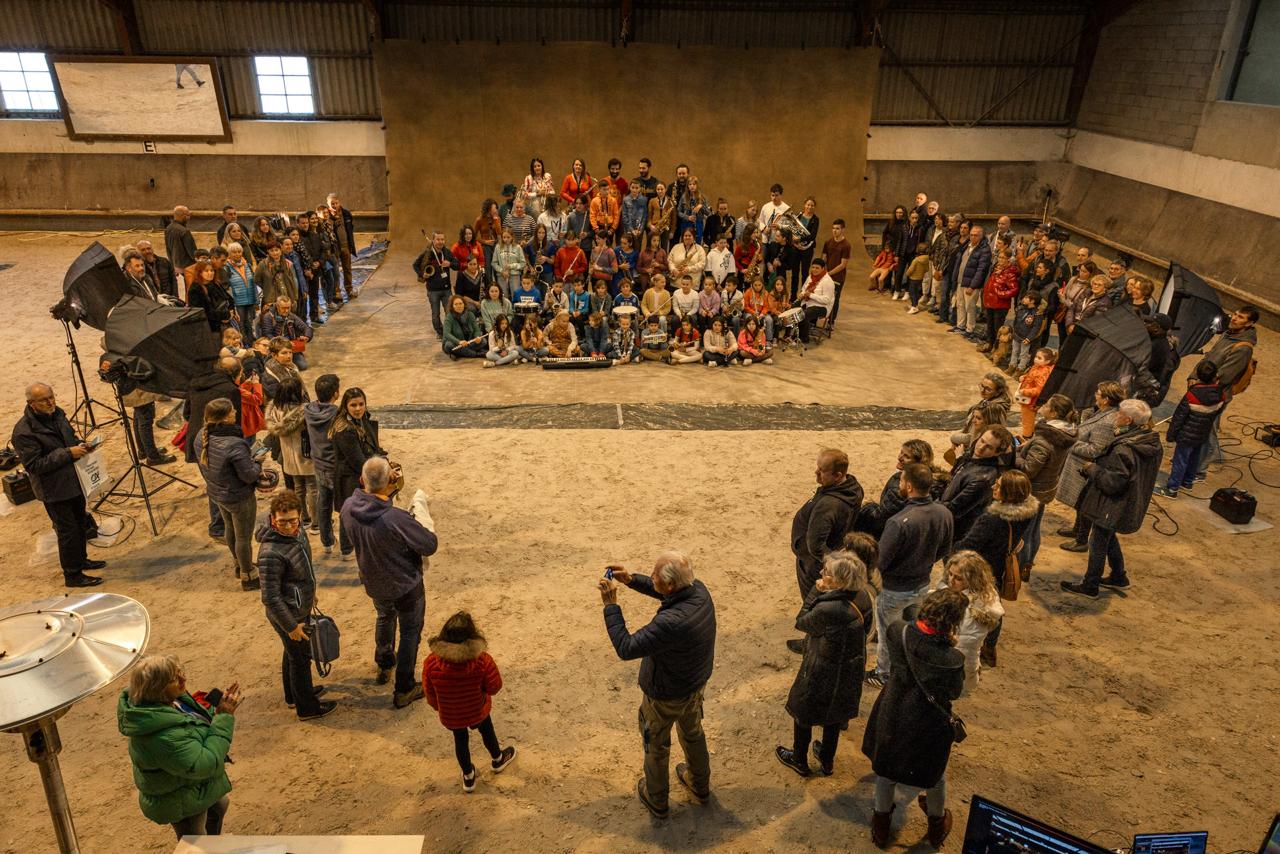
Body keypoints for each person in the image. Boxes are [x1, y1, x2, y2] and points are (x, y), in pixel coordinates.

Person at [600, 551, 716, 819]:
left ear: (671, 584)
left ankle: (657, 799)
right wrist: (631, 580)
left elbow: (626, 647)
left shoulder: (669, 623)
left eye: (654, 575)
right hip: (695, 684)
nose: (650, 576)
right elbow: (669, 595)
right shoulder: (699, 591)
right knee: (693, 732)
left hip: (666, 694)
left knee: (656, 745)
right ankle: (700, 785)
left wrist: (611, 606)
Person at [861, 588, 967, 849]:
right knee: (935, 775)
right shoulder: (952, 659)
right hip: (928, 722)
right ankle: (936, 824)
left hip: (894, 708)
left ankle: (881, 826)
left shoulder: (899, 631)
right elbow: (954, 691)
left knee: (886, 771)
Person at [343, 457, 439, 707]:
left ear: (362, 480)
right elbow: (429, 545)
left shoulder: (348, 507)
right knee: (410, 632)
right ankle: (404, 686)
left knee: (384, 617)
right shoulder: (395, 518)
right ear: (391, 481)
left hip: (373, 579)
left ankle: (385, 663)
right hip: (404, 583)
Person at [117, 654, 241, 839]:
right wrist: (223, 717)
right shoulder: (164, 738)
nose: (184, 679)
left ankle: (214, 844)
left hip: (191, 785)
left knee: (219, 807)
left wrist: (216, 710)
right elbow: (204, 764)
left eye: (180, 672)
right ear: (157, 688)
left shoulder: (171, 701)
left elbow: (194, 725)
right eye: (175, 678)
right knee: (195, 839)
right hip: (179, 800)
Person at [775, 550, 873, 778]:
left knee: (804, 713)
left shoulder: (828, 608)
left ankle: (799, 759)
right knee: (834, 717)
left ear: (839, 581)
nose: (821, 573)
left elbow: (802, 622)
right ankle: (827, 761)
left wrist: (815, 590)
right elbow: (866, 628)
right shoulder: (864, 596)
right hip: (850, 667)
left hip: (822, 668)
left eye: (827, 572)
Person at [1061, 399, 1162, 598]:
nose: (1115, 416)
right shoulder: (1150, 440)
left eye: (1119, 414)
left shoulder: (1124, 449)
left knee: (1098, 541)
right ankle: (1118, 576)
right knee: (1108, 535)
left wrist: (1092, 469)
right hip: (1127, 502)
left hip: (1113, 504)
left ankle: (1090, 585)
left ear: (1128, 420)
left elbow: (1113, 483)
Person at [11, 383, 107, 587]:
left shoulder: (58, 414)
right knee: (68, 532)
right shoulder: (23, 432)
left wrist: (81, 445)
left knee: (80, 523)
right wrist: (68, 453)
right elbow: (34, 465)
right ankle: (72, 575)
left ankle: (81, 561)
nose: (50, 402)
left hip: (74, 481)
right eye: (44, 400)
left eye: (51, 396)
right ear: (31, 404)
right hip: (54, 490)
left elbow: (69, 438)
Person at [868, 463, 953, 687]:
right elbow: (945, 549)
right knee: (913, 628)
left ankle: (883, 674)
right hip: (923, 582)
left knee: (888, 633)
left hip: (894, 588)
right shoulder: (944, 512)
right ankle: (908, 664)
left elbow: (882, 561)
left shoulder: (898, 522)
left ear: (909, 486)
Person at [256, 490, 337, 720]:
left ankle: (294, 695)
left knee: (292, 654)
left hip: (297, 606)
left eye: (293, 520)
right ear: (273, 519)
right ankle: (307, 708)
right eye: (282, 522)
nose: (289, 526)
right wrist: (291, 626)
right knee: (301, 659)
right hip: (288, 615)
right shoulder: (270, 553)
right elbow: (270, 597)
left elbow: (302, 571)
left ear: (300, 516)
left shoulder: (297, 533)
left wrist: (310, 595)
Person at [422, 611, 518, 792]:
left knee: (460, 740)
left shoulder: (431, 663)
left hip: (451, 715)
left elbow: (430, 694)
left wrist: (441, 708)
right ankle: (498, 759)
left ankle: (468, 776)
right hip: (478, 710)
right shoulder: (482, 661)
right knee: (487, 731)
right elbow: (494, 687)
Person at [954, 469, 1037, 663]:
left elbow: (968, 546)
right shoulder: (1027, 512)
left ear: (1008, 493)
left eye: (999, 486)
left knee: (980, 606)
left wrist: (953, 548)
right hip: (1000, 565)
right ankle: (990, 647)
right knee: (994, 603)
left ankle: (977, 644)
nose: (993, 487)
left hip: (981, 567)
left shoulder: (991, 519)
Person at [789, 449, 863, 652]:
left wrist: (830, 567)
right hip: (833, 552)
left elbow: (815, 545)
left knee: (814, 603)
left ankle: (813, 642)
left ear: (838, 475)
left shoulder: (828, 504)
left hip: (814, 563)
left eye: (822, 471)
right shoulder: (852, 487)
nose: (816, 473)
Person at [193, 398, 262, 591]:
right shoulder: (234, 444)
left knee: (230, 529)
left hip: (217, 493)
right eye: (232, 412)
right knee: (243, 537)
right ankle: (249, 575)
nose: (235, 413)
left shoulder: (201, 436)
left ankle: (238, 564)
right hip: (238, 496)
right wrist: (258, 462)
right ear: (224, 419)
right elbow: (248, 475)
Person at [1055, 381, 1124, 553]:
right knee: (1080, 503)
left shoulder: (1107, 421)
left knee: (1085, 504)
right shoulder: (1101, 413)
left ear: (1106, 399)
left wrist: (1071, 442)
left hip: (1086, 469)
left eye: (1098, 393)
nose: (1095, 395)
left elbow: (1095, 450)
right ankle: (1077, 529)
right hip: (1081, 468)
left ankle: (1081, 539)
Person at [1015, 394, 1077, 579]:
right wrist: (1028, 446)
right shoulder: (1064, 433)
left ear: (1054, 412)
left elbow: (1029, 469)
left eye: (1047, 404)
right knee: (1034, 529)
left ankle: (1018, 569)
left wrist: (1014, 454)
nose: (1043, 405)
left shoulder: (1045, 439)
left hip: (1032, 490)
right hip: (1046, 488)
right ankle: (1027, 565)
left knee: (1023, 532)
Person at [1198, 304, 1259, 478]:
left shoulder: (1243, 347)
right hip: (1203, 386)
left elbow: (1224, 376)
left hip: (1216, 393)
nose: (1234, 318)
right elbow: (1210, 358)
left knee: (1207, 431)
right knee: (1204, 427)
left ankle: (1200, 470)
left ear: (1249, 323)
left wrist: (1202, 386)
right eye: (1235, 314)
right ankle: (1197, 460)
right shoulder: (1228, 334)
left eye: (1240, 317)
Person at [1155, 359, 1225, 498]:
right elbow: (1216, 413)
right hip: (1203, 433)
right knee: (1194, 457)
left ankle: (1172, 489)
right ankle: (1187, 482)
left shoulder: (1192, 395)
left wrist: (1171, 435)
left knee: (1180, 460)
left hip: (1186, 434)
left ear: (1198, 376)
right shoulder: (1220, 395)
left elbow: (1179, 417)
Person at [855, 440, 950, 540]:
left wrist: (868, 507)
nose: (900, 458)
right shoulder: (935, 481)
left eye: (906, 456)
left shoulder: (901, 488)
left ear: (919, 463)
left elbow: (879, 518)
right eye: (901, 453)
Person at [330, 387, 384, 559]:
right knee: (349, 512)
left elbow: (371, 445)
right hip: (349, 478)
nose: (358, 408)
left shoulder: (362, 420)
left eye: (361, 404)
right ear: (346, 406)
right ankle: (346, 549)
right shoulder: (344, 429)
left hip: (360, 474)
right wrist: (379, 468)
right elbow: (357, 461)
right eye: (353, 405)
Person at [941, 551, 1003, 695]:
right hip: (967, 667)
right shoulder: (987, 594)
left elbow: (959, 645)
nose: (951, 580)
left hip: (955, 671)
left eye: (958, 578)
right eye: (950, 574)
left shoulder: (968, 611)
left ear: (972, 580)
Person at [941, 426, 1015, 541]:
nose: (981, 447)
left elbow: (956, 508)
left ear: (997, 453)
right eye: (982, 441)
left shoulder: (984, 479)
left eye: (988, 447)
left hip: (959, 532)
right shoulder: (971, 456)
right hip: (949, 520)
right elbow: (954, 477)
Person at [266, 377, 316, 526]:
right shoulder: (305, 411)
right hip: (306, 456)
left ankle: (303, 518)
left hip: (288, 456)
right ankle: (316, 522)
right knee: (313, 489)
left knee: (298, 489)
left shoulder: (275, 411)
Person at [304, 374, 341, 552]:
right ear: (336, 393)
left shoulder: (309, 410)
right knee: (344, 504)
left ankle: (326, 542)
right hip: (335, 466)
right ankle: (347, 546)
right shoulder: (338, 413)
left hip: (318, 464)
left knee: (324, 503)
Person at [950, 225, 992, 340]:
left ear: (981, 236)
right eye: (972, 235)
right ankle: (960, 326)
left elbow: (981, 270)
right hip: (961, 281)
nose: (973, 237)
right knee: (960, 305)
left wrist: (973, 286)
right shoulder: (966, 246)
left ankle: (970, 329)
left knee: (970, 307)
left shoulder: (984, 249)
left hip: (971, 284)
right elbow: (959, 263)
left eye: (976, 235)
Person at [258, 297, 313, 371]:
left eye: (288, 308)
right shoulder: (268, 317)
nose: (286, 310)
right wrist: (284, 343)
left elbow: (306, 327)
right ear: (277, 306)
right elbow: (267, 335)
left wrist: (307, 336)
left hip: (290, 347)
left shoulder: (291, 315)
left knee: (303, 366)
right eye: (283, 308)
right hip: (275, 348)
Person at [1014, 347, 1056, 438]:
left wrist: (1024, 391)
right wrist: (1024, 377)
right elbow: (1031, 377)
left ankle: (1026, 436)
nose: (1036, 359)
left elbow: (1039, 390)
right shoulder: (1037, 367)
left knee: (1027, 420)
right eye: (1036, 357)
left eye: (1039, 358)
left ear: (1047, 361)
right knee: (1029, 419)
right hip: (1029, 399)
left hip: (1030, 400)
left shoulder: (1043, 373)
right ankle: (1030, 433)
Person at [419, 231, 453, 337]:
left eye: (442, 239)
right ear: (433, 240)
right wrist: (423, 274)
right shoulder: (428, 253)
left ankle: (449, 332)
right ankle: (441, 333)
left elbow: (457, 265)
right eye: (438, 239)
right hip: (433, 290)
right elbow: (415, 265)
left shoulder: (447, 252)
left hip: (447, 289)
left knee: (450, 314)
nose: (440, 242)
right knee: (435, 315)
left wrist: (450, 263)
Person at [796, 258, 836, 344]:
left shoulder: (828, 281)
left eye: (817, 268)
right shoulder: (810, 277)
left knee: (804, 314)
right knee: (793, 309)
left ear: (823, 268)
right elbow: (804, 289)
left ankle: (804, 338)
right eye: (813, 267)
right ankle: (794, 335)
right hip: (808, 302)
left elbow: (826, 300)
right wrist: (802, 294)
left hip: (822, 307)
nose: (814, 269)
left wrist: (811, 295)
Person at [822, 218, 852, 328]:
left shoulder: (846, 245)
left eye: (838, 229)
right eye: (833, 228)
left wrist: (829, 273)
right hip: (826, 275)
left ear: (842, 230)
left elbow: (843, 264)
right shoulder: (828, 242)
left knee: (834, 299)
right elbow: (824, 258)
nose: (835, 231)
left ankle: (831, 322)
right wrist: (822, 270)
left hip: (838, 277)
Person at [443, 295, 487, 360]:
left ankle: (457, 353)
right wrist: (459, 342)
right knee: (449, 346)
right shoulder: (449, 317)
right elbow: (446, 334)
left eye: (460, 303)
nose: (459, 306)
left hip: (467, 342)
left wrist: (477, 337)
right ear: (452, 306)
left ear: (464, 304)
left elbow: (476, 329)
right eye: (456, 304)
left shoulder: (470, 315)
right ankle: (476, 354)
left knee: (483, 341)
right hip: (456, 343)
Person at [164, 205, 198, 271]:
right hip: (188, 266)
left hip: (176, 265)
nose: (189, 217)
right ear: (183, 216)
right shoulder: (184, 231)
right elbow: (192, 252)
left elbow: (168, 249)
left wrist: (172, 264)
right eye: (188, 215)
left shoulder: (168, 229)